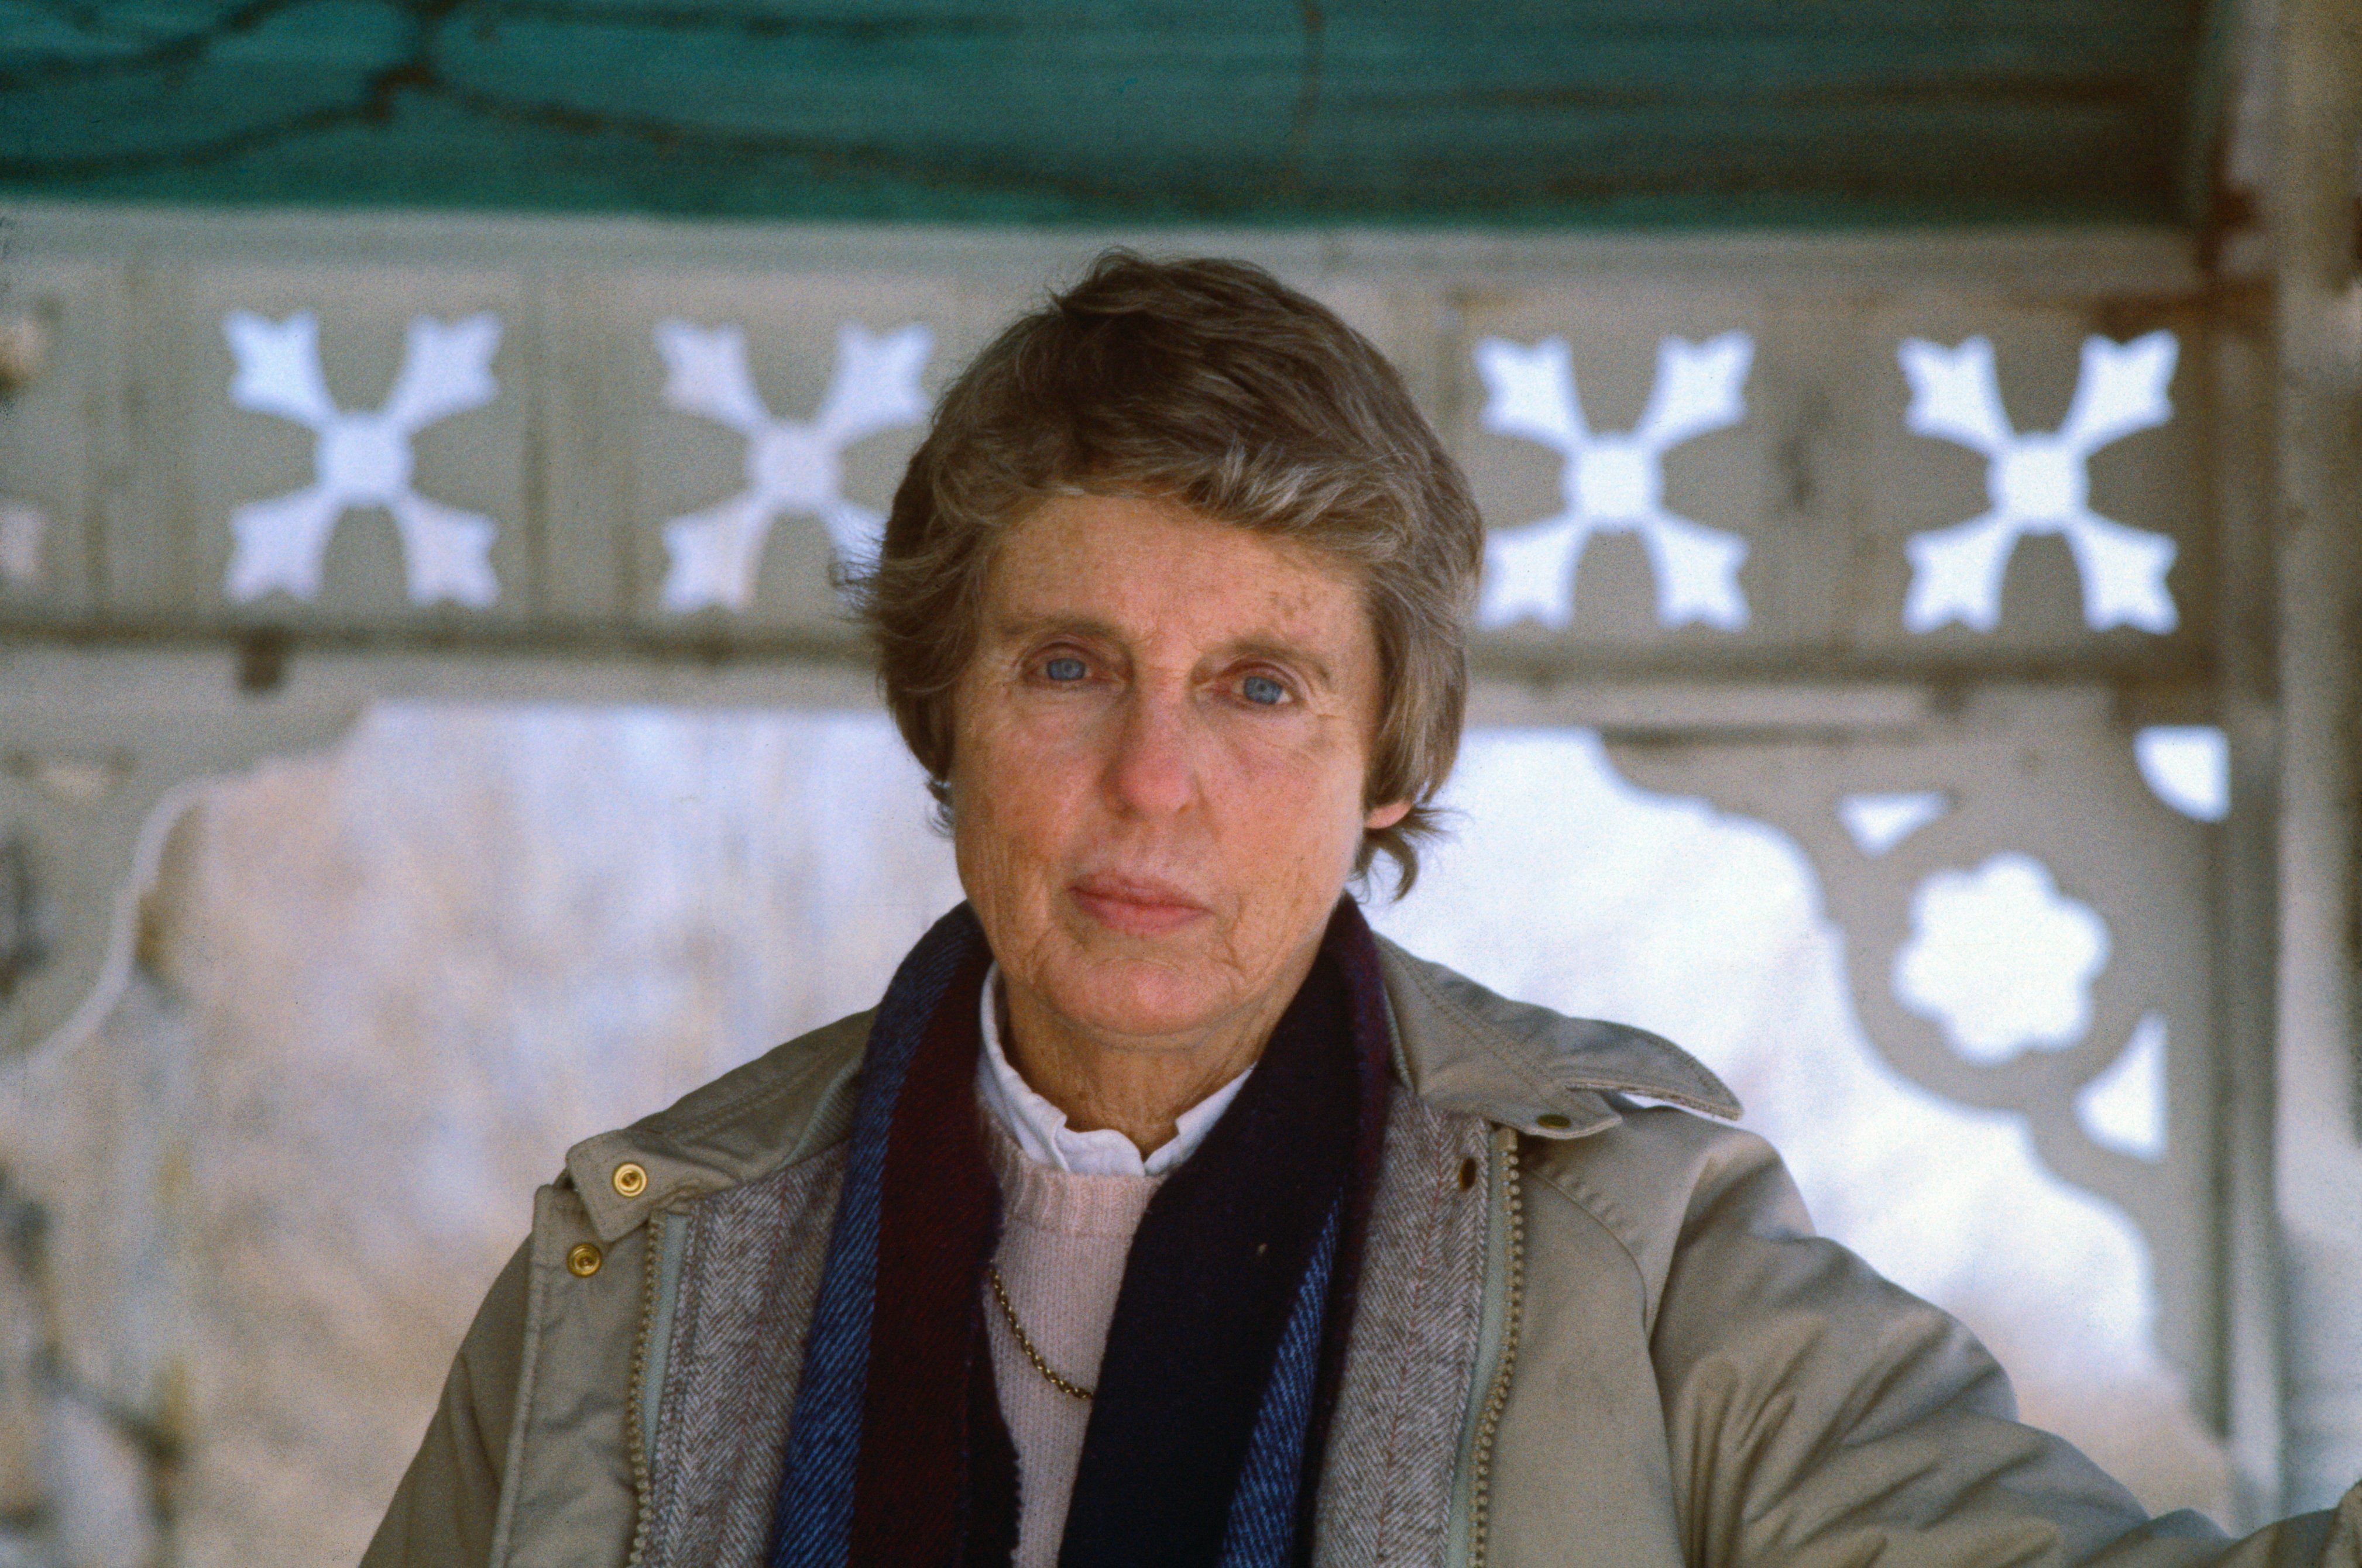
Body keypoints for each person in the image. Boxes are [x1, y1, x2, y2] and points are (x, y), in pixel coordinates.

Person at [363, 253, 2361, 1568]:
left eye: (1258, 687)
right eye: (1068, 668)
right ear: (946, 716)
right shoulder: (631, 1271)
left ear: (1386, 758)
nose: (1155, 783)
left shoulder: (1631, 1242)